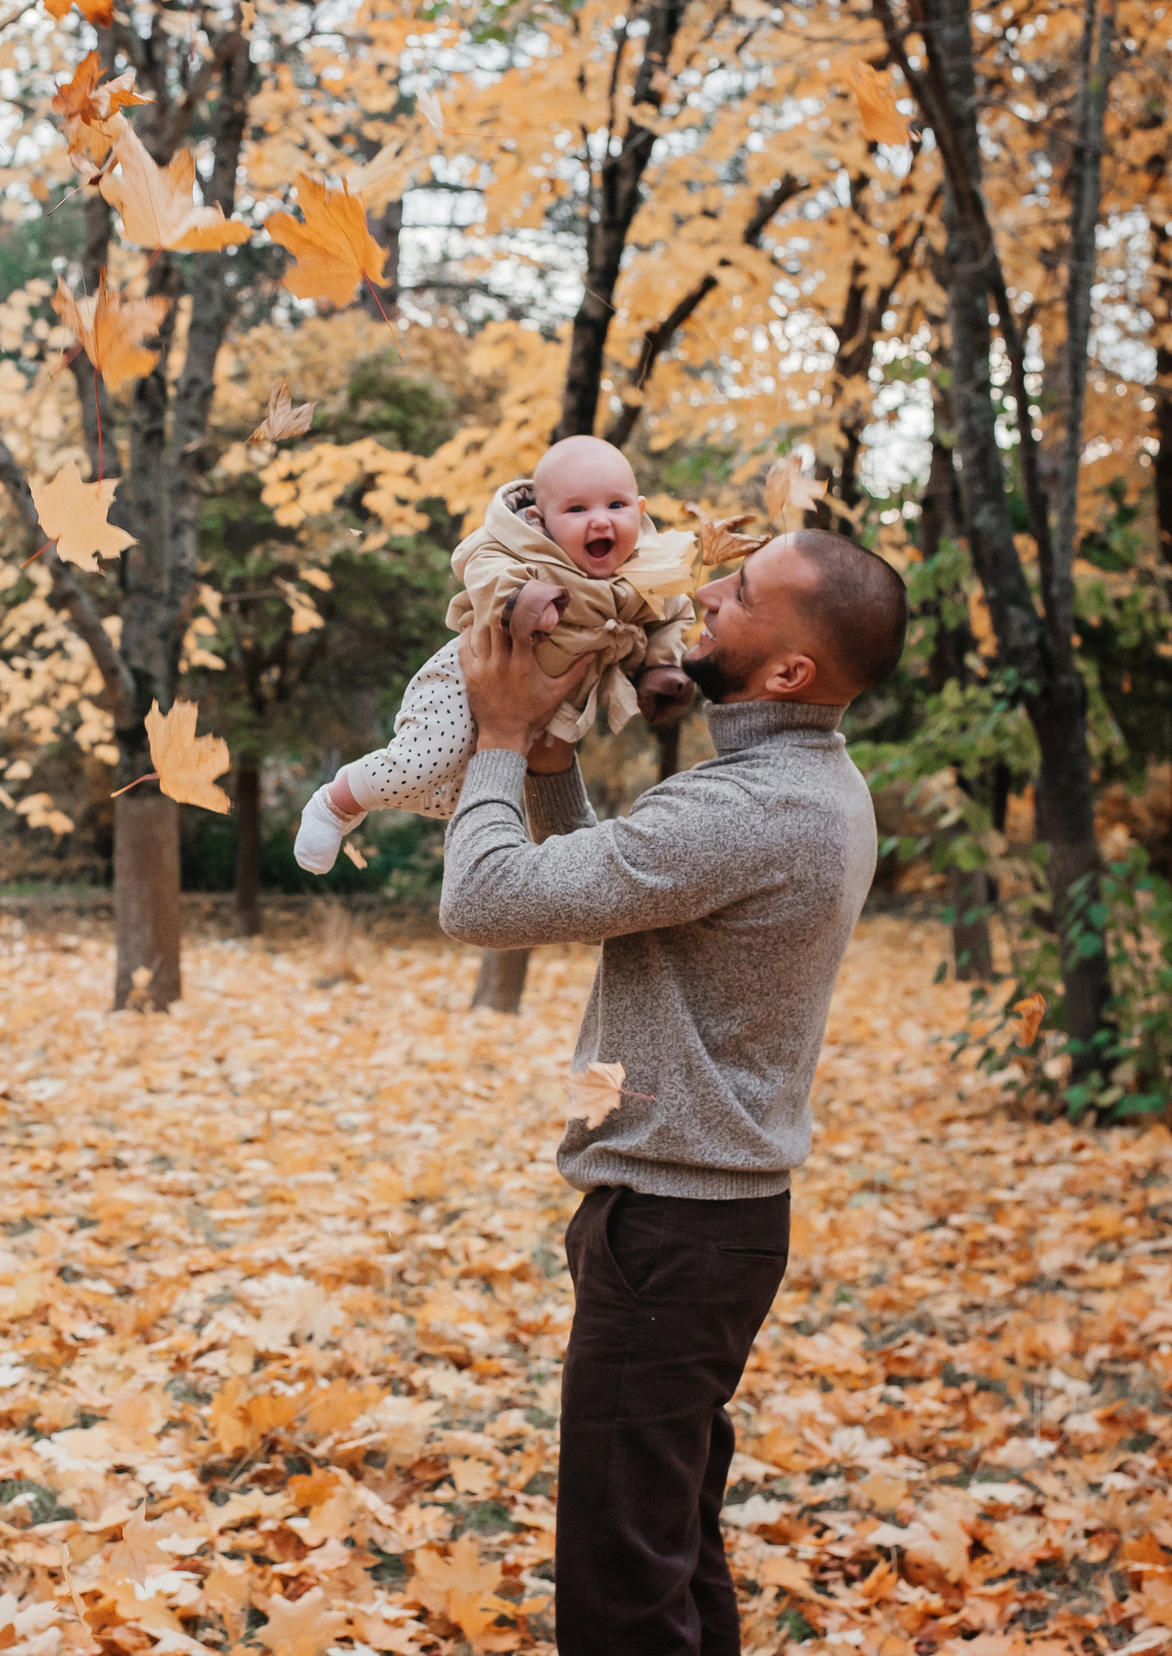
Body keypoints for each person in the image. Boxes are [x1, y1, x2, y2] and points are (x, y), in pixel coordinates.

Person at [438, 529, 908, 1656]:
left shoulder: (751, 807)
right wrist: (550, 761)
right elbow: (601, 888)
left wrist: (498, 737)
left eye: (739, 592)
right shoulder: (787, 783)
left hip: (677, 1231)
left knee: (619, 1587)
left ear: (789, 670)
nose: (701, 591)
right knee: (667, 1543)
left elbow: (486, 898)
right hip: (701, 1222)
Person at [293, 436, 700, 873]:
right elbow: (479, 564)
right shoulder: (526, 548)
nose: (600, 521)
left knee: (466, 797)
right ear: (538, 519)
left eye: (616, 506)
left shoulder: (649, 572)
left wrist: (660, 667)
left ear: (639, 511)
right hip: (469, 679)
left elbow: (671, 615)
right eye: (577, 510)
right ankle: (335, 803)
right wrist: (519, 598)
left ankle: (382, 793)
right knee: (423, 765)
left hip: (545, 709)